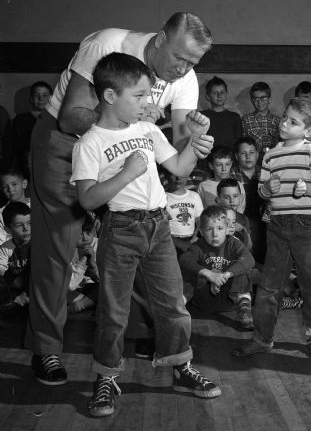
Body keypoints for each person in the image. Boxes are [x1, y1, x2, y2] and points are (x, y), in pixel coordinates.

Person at [27, 12, 214, 386]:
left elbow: (175, 154)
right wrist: (129, 118)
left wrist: (194, 138)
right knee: (59, 249)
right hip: (67, 147)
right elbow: (71, 115)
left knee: (139, 246)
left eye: (194, 63)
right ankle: (46, 347)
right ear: (160, 39)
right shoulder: (108, 43)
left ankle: (143, 340)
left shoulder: (185, 79)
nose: (184, 69)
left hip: (129, 154)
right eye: (180, 58)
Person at [71, 53, 220, 417]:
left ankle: (181, 367)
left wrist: (196, 143)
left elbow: (181, 168)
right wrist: (127, 173)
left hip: (159, 226)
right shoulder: (88, 143)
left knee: (174, 305)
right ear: (109, 96)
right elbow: (88, 198)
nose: (148, 104)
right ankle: (106, 377)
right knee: (113, 311)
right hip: (119, 229)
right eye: (138, 96)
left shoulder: (149, 131)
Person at [232, 96, 311, 359]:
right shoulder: (270, 154)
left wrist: (309, 188)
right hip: (276, 226)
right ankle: (263, 339)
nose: (284, 123)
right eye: (285, 117)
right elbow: (262, 191)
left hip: (305, 226)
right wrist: (267, 189)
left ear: (308, 131)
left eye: (293, 122)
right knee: (268, 287)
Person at [180, 205, 255, 329]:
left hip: (230, 300)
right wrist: (209, 274)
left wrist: (225, 275)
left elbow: (249, 260)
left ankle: (245, 309)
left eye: (220, 228)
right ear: (201, 232)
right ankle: (178, 305)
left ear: (227, 229)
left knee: (242, 268)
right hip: (203, 300)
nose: (215, 234)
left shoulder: (233, 243)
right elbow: (184, 260)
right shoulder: (198, 246)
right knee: (189, 270)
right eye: (209, 229)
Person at [12, 81, 52, 169]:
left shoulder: (56, 120)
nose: (41, 99)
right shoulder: (20, 120)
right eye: (36, 95)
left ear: (51, 98)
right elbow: (15, 147)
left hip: (49, 167)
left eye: (45, 95)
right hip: (25, 166)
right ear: (31, 99)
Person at [0, 202, 31, 315]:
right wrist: (12, 279)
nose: (26, 228)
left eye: (29, 223)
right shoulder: (6, 248)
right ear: (8, 229)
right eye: (19, 225)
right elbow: (1, 269)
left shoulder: (39, 245)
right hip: (16, 289)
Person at [164, 171, 204, 255]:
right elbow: (162, 226)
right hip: (170, 241)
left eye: (182, 174)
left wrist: (195, 237)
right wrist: (179, 243)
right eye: (174, 174)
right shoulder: (162, 197)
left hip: (192, 240)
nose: (178, 178)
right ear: (166, 175)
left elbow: (200, 220)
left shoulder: (194, 196)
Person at [198, 146, 246, 211]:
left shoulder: (238, 185)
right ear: (211, 165)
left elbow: (240, 210)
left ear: (231, 164)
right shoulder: (203, 186)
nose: (224, 169)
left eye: (227, 164)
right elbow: (199, 211)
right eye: (219, 165)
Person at [202, 76, 242, 149]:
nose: (219, 96)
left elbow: (238, 144)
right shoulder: (201, 117)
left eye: (222, 92)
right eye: (215, 93)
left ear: (226, 94)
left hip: (229, 159)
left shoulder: (235, 118)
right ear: (208, 96)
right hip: (207, 159)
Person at [241, 81, 280, 157]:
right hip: (253, 161)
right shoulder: (246, 120)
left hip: (273, 159)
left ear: (270, 99)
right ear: (252, 100)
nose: (259, 102)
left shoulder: (278, 121)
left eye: (263, 98)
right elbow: (243, 143)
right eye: (256, 98)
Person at [216, 179, 253, 250]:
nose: (232, 200)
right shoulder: (214, 217)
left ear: (241, 198)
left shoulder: (243, 219)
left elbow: (249, 247)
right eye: (226, 197)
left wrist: (244, 231)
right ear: (218, 200)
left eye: (235, 196)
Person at [0, 167, 30, 244]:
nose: (10, 189)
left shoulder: (39, 206)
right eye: (5, 187)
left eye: (14, 184)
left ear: (24, 184)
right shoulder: (1, 215)